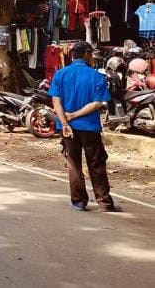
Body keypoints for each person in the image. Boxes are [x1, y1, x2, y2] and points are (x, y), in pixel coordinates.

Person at [49, 41, 121, 213]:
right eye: (92, 55)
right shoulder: (97, 76)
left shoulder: (60, 74)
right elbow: (97, 104)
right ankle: (104, 202)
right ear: (87, 55)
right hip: (89, 127)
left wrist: (66, 122)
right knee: (96, 163)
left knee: (73, 163)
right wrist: (74, 115)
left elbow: (56, 101)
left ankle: (79, 201)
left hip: (68, 128)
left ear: (72, 56)